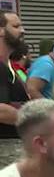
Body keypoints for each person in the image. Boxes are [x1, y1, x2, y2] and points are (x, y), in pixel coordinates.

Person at [0, 10, 28, 145]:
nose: (23, 31)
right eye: (16, 26)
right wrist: (38, 119)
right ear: (1, 31)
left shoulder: (11, 66)